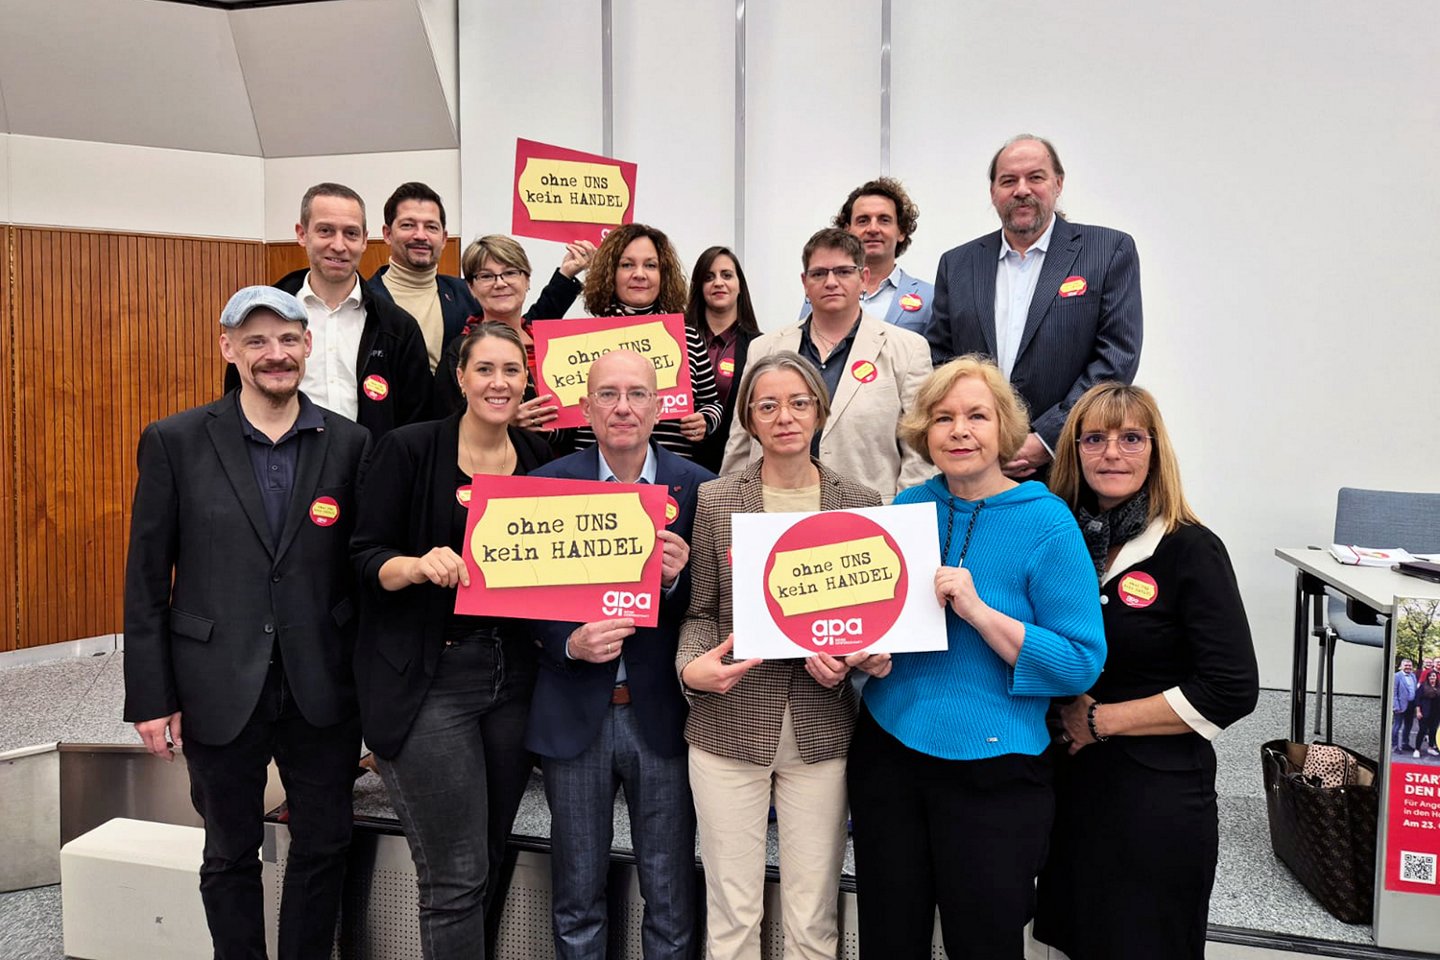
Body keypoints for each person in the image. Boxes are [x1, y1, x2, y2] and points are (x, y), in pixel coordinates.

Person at [124, 286, 371, 960]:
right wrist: (151, 695)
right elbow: (146, 578)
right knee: (228, 849)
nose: (275, 354)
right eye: (256, 341)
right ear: (227, 347)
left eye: (288, 339)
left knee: (325, 842)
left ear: (308, 347)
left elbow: (364, 566)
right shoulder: (174, 441)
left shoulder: (350, 444)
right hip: (215, 682)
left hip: (322, 685)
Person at [846, 355, 1105, 959]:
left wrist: (982, 613)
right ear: (924, 432)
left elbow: (1079, 663)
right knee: (888, 937)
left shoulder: (1047, 521)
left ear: (1003, 430)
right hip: (890, 755)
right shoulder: (908, 507)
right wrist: (867, 654)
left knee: (982, 942)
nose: (959, 430)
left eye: (976, 416)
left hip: (996, 776)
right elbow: (878, 622)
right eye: (942, 418)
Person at [1032, 382, 1260, 960]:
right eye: (1095, 438)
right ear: (1074, 451)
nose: (1112, 453)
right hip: (1074, 792)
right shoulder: (1060, 542)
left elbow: (1230, 688)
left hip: (1155, 798)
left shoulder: (1190, 549)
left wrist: (1100, 720)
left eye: (1131, 438)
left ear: (1156, 452)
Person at [350, 321, 553, 960]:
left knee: (488, 854)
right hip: (431, 679)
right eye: (485, 369)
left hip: (515, 677)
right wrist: (416, 565)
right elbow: (361, 559)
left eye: (512, 370)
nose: (499, 382)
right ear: (460, 377)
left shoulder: (543, 457)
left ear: (528, 380)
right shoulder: (410, 450)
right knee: (455, 874)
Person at [678, 351, 890, 960]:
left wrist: (858, 657)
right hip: (728, 728)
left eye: (798, 403)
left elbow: (873, 624)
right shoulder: (719, 501)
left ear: (820, 411)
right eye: (767, 405)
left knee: (813, 915)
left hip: (822, 732)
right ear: (748, 418)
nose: (785, 417)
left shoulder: (863, 503)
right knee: (733, 914)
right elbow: (700, 613)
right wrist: (691, 669)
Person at [527, 350, 716, 960]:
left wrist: (677, 580)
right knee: (577, 891)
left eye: (637, 394)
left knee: (668, 890)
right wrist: (567, 640)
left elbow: (712, 609)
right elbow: (518, 601)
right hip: (574, 713)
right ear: (586, 408)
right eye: (607, 395)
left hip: (661, 717)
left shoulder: (699, 490)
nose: (623, 407)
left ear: (660, 405)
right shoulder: (547, 485)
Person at [924, 135, 1142, 478]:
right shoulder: (958, 264)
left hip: (1068, 465)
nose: (1021, 189)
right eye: (1008, 180)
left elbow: (1116, 357)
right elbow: (940, 360)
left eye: (1035, 177)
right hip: (978, 466)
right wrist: (978, 435)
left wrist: (1047, 438)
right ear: (993, 192)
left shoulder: (1108, 250)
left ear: (1058, 183)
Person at [722, 228, 931, 502]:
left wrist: (900, 517)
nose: (831, 282)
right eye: (819, 273)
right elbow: (741, 440)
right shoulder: (765, 348)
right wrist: (730, 509)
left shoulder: (907, 349)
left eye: (843, 272)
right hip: (774, 513)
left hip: (870, 517)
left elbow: (919, 452)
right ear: (805, 282)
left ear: (863, 278)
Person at [226, 182, 432, 440]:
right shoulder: (257, 319)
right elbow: (237, 398)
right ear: (302, 234)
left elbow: (417, 423)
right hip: (280, 467)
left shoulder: (397, 327)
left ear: (365, 240)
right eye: (325, 231)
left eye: (351, 233)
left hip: (370, 472)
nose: (338, 245)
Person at [570, 222, 722, 459]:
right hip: (596, 476)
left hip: (671, 474)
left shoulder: (686, 336)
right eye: (627, 265)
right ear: (611, 273)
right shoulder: (582, 339)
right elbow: (566, 421)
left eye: (650, 265)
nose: (639, 274)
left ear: (663, 275)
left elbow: (712, 403)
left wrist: (705, 420)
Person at [432, 233, 594, 418]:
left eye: (510, 273)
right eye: (486, 276)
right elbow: (449, 422)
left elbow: (550, 304)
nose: (500, 283)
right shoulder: (460, 352)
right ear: (471, 288)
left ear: (527, 280)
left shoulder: (544, 338)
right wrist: (506, 424)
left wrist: (567, 273)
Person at [368, 181, 480, 372]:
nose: (420, 235)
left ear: (444, 238)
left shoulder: (469, 296)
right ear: (387, 234)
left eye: (431, 227)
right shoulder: (363, 300)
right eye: (408, 225)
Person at [800, 177, 934, 335]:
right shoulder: (826, 289)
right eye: (863, 221)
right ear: (847, 230)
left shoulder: (930, 296)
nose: (873, 229)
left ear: (901, 231)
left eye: (884, 220)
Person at [686, 245, 760, 472]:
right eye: (709, 277)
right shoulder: (677, 339)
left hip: (738, 464)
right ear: (699, 287)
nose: (718, 282)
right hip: (683, 459)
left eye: (726, 275)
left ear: (740, 286)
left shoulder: (761, 346)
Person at [1395, 658, 1419, 753]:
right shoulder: (1396, 676)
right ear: (1401, 666)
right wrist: (1396, 706)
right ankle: (1394, 746)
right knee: (1397, 726)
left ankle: (1405, 744)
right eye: (1406, 665)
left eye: (1410, 665)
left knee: (1408, 725)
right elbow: (1394, 693)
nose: (1408, 667)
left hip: (1411, 705)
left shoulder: (1413, 676)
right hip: (1400, 706)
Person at [1417, 672, 1440, 758]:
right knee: (1422, 731)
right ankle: (1417, 749)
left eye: (1434, 676)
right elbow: (1418, 699)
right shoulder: (1423, 687)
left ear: (1436, 678)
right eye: (1430, 676)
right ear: (1427, 678)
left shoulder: (1438, 687)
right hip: (1425, 712)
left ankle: (1430, 748)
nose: (1432, 677)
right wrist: (1418, 711)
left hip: (1436, 714)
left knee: (1433, 731)